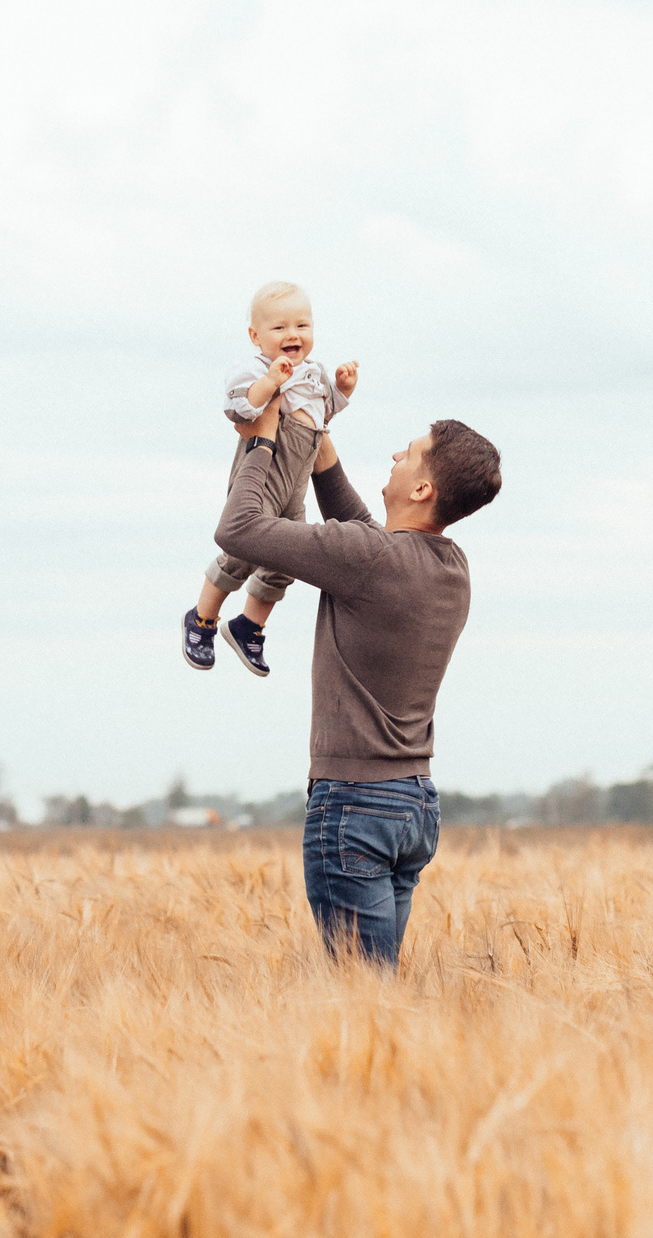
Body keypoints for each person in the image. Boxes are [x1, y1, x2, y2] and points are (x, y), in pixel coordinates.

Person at [212, 393, 501, 967]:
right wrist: (317, 444)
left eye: (410, 454)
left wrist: (267, 438)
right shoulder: (451, 567)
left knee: (360, 996)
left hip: (355, 807)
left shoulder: (367, 561)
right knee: (377, 1001)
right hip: (412, 808)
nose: (396, 455)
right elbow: (366, 534)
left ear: (422, 489)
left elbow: (239, 529)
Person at [184, 280, 358, 678]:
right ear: (255, 336)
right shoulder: (256, 369)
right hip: (262, 473)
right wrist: (270, 383)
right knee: (244, 548)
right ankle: (202, 617)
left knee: (290, 557)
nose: (292, 335)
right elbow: (238, 407)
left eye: (302, 325)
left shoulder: (313, 373)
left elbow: (323, 411)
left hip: (295, 482)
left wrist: (342, 390)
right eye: (279, 328)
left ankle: (250, 625)